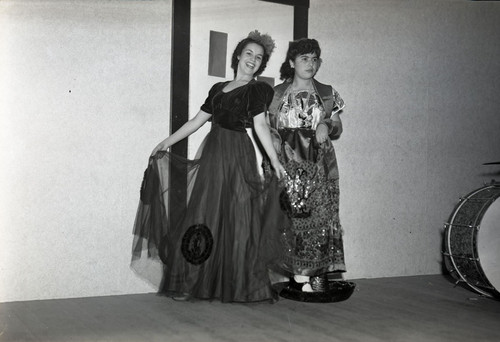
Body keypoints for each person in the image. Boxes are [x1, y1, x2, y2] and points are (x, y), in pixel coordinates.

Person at [131, 30, 287, 303]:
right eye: (248, 53)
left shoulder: (258, 89)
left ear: (261, 65)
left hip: (238, 154)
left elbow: (261, 125)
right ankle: (194, 283)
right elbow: (196, 121)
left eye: (259, 58)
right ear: (238, 55)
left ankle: (241, 286)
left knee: (239, 218)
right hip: (214, 155)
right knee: (204, 215)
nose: (252, 59)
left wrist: (275, 160)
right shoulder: (217, 89)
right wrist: (165, 142)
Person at [266, 38, 346, 295]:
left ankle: (317, 274)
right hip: (287, 163)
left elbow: (338, 126)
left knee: (319, 219)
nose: (310, 64)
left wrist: (326, 124)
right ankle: (297, 277)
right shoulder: (276, 94)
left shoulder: (327, 93)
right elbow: (266, 130)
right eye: (304, 59)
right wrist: (273, 160)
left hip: (318, 165)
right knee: (290, 218)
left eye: (314, 59)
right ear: (292, 62)